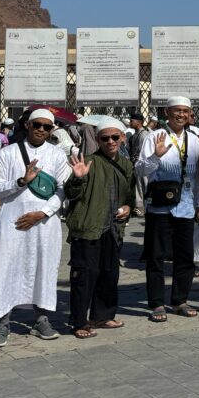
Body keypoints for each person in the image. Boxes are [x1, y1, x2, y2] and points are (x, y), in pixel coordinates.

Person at [0, 109, 71, 348]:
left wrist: (41, 213)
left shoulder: (56, 155)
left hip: (44, 223)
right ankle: (2, 323)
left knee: (43, 267)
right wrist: (21, 182)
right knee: (5, 268)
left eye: (47, 126)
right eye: (37, 125)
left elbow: (62, 190)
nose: (41, 129)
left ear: (52, 129)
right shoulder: (8, 152)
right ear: (27, 125)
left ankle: (41, 319)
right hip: (12, 221)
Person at [64, 118, 135, 339]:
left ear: (122, 138)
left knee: (109, 274)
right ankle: (79, 322)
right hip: (89, 228)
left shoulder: (126, 164)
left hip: (113, 229)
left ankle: (102, 316)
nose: (111, 141)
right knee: (85, 276)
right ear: (98, 140)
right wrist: (77, 179)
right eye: (105, 138)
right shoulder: (89, 163)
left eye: (115, 137)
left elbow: (129, 195)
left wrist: (127, 207)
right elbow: (71, 193)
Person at [136, 96, 199, 323]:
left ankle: (179, 300)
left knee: (185, 256)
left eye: (185, 111)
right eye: (177, 111)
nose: (181, 115)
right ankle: (156, 303)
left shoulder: (195, 140)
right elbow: (140, 171)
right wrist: (156, 156)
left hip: (185, 206)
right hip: (160, 207)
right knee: (156, 257)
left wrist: (198, 203)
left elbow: (197, 178)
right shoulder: (154, 137)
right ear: (167, 112)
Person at [127, 111, 151, 216]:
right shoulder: (135, 134)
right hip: (137, 164)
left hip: (144, 165)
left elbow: (145, 151)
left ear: (139, 122)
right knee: (139, 186)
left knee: (146, 185)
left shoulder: (144, 134)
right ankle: (140, 208)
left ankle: (148, 207)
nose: (130, 122)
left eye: (132, 121)